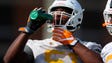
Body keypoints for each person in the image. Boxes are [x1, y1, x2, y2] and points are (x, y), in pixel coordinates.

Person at [3, 0, 103, 63]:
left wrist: (72, 43)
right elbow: (9, 60)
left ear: (77, 16)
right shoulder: (35, 45)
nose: (57, 15)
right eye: (55, 11)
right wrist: (27, 30)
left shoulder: (89, 47)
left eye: (64, 11)